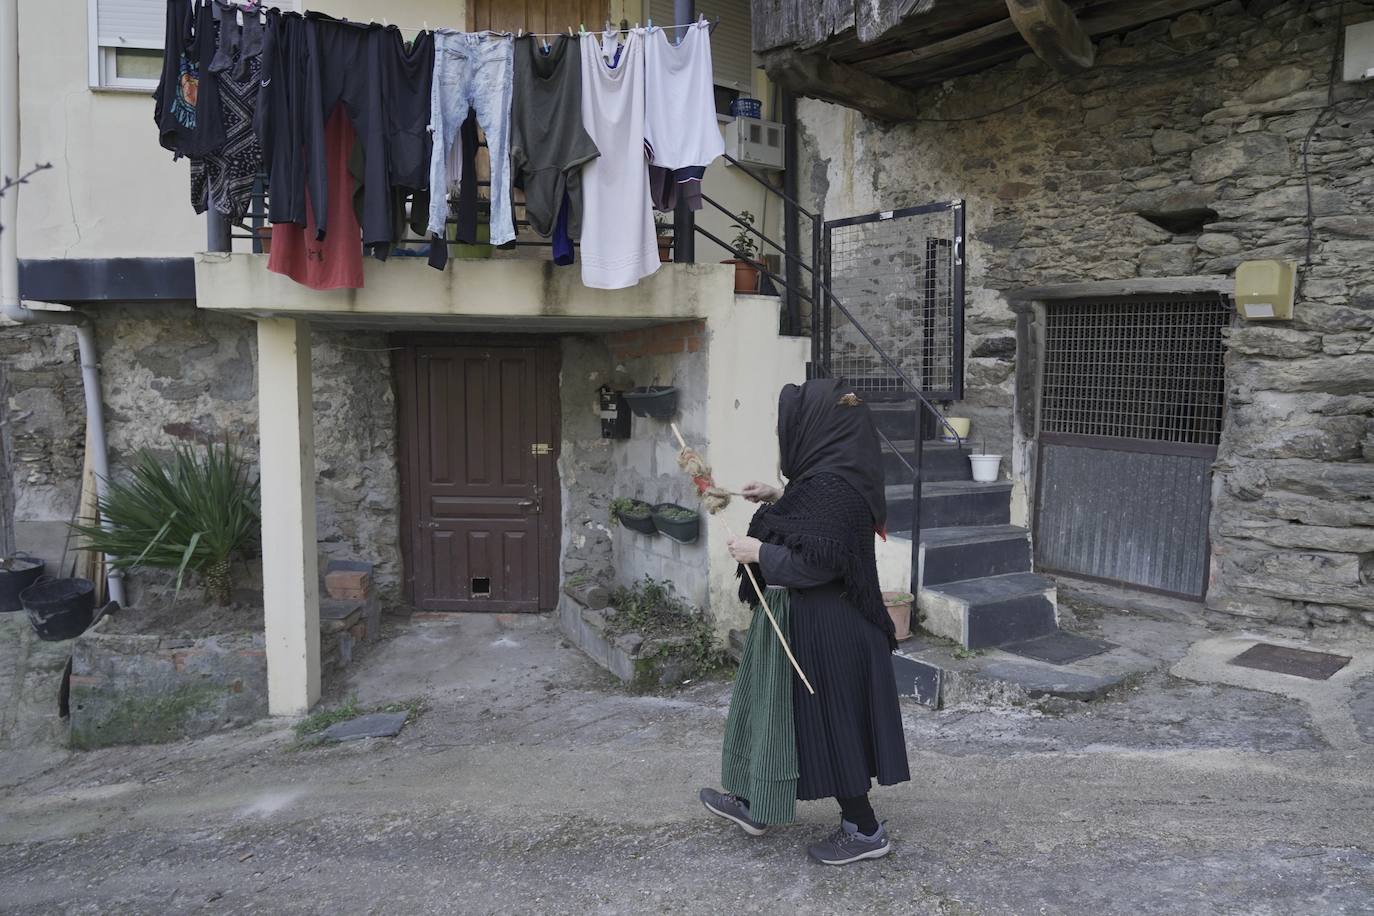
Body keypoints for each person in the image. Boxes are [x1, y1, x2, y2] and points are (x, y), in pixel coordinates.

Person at [699, 378, 910, 865]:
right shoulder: (831, 477)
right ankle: (756, 803)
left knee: (830, 726)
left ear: (817, 429)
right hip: (811, 619)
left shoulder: (833, 488)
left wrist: (760, 551)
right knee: (777, 714)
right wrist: (779, 496)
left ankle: (864, 830)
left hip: (831, 629)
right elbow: (818, 520)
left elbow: (821, 561)